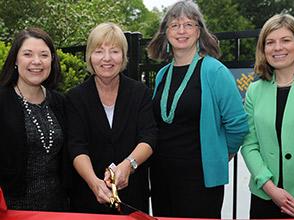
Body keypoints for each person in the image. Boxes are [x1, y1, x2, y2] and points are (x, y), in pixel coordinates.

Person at [147, 1, 248, 218]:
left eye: (188, 24)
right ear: (166, 33)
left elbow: (238, 124)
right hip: (161, 175)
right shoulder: (163, 74)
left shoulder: (215, 70)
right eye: (174, 25)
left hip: (200, 179)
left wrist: (220, 153)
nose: (181, 31)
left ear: (199, 31)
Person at [66, 22, 157, 214]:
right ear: (89, 56)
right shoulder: (75, 97)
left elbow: (149, 137)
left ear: (124, 56)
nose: (107, 58)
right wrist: (94, 183)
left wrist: (128, 165)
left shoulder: (140, 93)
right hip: (87, 197)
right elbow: (76, 145)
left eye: (114, 51)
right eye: (99, 51)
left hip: (132, 196)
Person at [241, 13, 294, 219]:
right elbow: (249, 144)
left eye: (285, 40)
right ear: (263, 49)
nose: (277, 48)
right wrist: (270, 188)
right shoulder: (254, 91)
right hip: (265, 197)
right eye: (270, 42)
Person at [0, 27, 69, 211]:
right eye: (28, 54)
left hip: (57, 208)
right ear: (15, 59)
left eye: (44, 55)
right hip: (12, 209)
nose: (36, 61)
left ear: (52, 60)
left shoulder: (60, 102)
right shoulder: (2, 101)